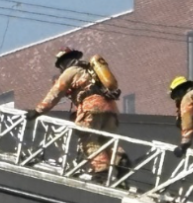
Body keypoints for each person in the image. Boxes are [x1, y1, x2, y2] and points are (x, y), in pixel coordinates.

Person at [25, 47, 123, 176]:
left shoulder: (70, 71)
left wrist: (38, 111)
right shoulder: (91, 71)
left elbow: (56, 93)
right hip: (111, 109)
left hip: (92, 107)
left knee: (88, 139)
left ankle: (101, 171)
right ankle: (121, 161)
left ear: (63, 62)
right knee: (107, 141)